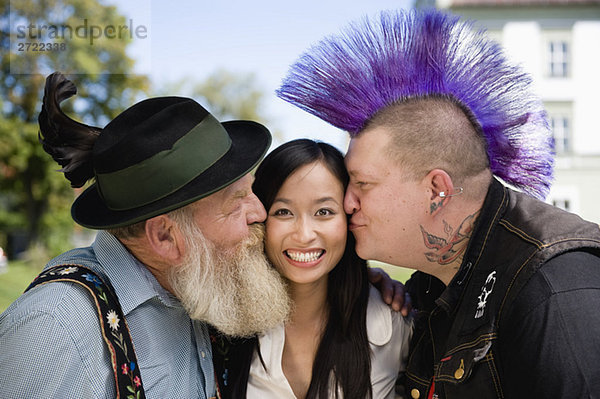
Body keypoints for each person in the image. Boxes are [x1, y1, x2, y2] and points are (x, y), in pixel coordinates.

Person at [275, 8, 600, 399]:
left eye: (362, 183)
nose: (347, 203)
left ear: (437, 191)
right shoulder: (429, 288)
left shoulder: (551, 289)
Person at [0, 72, 291, 398]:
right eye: (236, 204)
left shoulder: (194, 286)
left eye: (249, 192)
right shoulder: (54, 330)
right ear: (166, 237)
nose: (260, 213)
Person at [212, 139, 412, 399]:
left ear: (348, 218)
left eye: (324, 212)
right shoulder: (222, 327)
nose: (304, 235)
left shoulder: (395, 325)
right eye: (283, 212)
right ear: (259, 218)